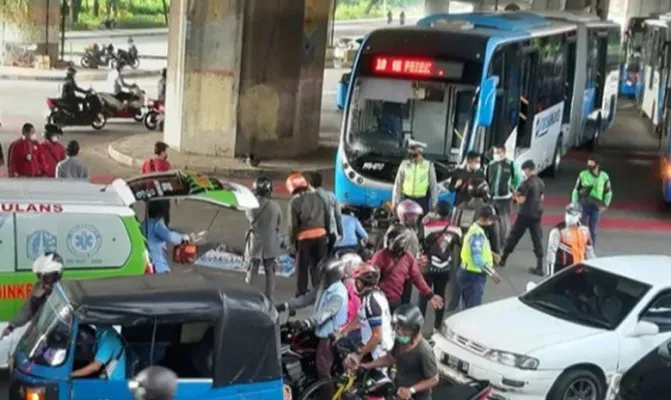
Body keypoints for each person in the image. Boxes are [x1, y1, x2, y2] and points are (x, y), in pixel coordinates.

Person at [276, 258, 349, 399]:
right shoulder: (324, 285)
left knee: (323, 370)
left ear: (333, 276)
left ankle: (327, 396)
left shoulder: (338, 294)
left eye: (325, 276)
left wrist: (307, 322)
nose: (322, 279)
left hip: (329, 337)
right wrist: (286, 305)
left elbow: (325, 314)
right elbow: (306, 299)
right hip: (318, 330)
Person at [356, 305, 440, 400]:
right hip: (399, 392)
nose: (400, 332)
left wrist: (411, 390)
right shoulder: (400, 340)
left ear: (414, 331)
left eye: (405, 329)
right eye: (398, 327)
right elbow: (391, 358)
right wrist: (367, 365)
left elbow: (434, 379)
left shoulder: (424, 350)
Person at [371, 224, 443, 313]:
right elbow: (371, 278)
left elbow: (417, 278)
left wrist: (430, 295)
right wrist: (430, 295)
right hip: (380, 300)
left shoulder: (406, 257)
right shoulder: (380, 256)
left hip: (392, 301)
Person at [418, 201, 461, 333]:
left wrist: (423, 222)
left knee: (423, 297)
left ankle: (418, 327)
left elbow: (419, 240)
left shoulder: (427, 228)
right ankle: (437, 327)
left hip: (428, 267)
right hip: (444, 268)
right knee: (440, 296)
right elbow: (458, 242)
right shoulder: (456, 229)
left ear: (435, 213)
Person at [339, 263, 394, 364]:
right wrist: (344, 332)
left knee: (351, 366)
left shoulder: (371, 302)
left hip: (378, 352)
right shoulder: (371, 295)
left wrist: (359, 354)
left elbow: (377, 336)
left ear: (361, 283)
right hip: (370, 345)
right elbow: (360, 317)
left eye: (357, 281)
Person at [1, 252, 65, 338]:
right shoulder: (38, 286)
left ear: (56, 275)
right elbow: (26, 310)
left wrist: (48, 294)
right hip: (37, 333)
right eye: (40, 276)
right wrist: (11, 326)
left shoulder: (62, 291)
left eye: (46, 276)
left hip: (54, 335)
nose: (42, 280)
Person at [287, 172, 330, 296]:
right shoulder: (318, 197)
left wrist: (291, 243)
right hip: (321, 236)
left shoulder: (294, 202)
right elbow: (326, 217)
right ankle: (319, 291)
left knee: (302, 269)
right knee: (318, 266)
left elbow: (292, 226)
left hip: (304, 239)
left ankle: (301, 293)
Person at [500, 160, 545, 275]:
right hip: (537, 214)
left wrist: (515, 195)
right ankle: (540, 266)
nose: (524, 173)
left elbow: (521, 200)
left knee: (514, 236)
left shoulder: (526, 183)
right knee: (537, 239)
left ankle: (503, 259)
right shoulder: (541, 182)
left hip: (525, 214)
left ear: (528, 170)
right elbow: (542, 198)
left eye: (524, 170)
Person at [244, 176, 283, 300]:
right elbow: (278, 222)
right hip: (270, 243)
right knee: (270, 273)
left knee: (252, 271)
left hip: (255, 242)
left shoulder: (251, 205)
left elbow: (249, 218)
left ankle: (244, 296)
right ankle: (269, 299)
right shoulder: (275, 205)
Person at [458, 206, 502, 309]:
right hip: (473, 275)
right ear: (483, 218)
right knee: (472, 309)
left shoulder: (474, 230)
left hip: (468, 272)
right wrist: (492, 273)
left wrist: (491, 254)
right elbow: (477, 258)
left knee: (467, 305)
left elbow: (476, 250)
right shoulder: (477, 234)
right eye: (491, 219)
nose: (492, 222)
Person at [545, 203, 595, 276]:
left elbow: (590, 252)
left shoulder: (585, 230)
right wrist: (550, 276)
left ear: (579, 215)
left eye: (573, 214)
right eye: (568, 213)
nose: (569, 217)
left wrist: (594, 270)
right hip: (563, 272)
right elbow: (551, 254)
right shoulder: (558, 231)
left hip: (581, 270)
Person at [486, 144, 522, 247]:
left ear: (503, 153)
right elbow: (487, 179)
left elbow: (517, 179)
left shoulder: (511, 165)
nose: (496, 154)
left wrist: (511, 188)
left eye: (498, 152)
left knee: (504, 222)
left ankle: (503, 242)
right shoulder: (491, 165)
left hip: (505, 199)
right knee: (491, 220)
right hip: (492, 198)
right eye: (495, 152)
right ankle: (493, 242)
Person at [571, 156, 612, 245]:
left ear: (597, 165)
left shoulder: (604, 177)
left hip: (596, 206)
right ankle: (581, 248)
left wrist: (606, 205)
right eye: (588, 164)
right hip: (584, 205)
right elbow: (576, 190)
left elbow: (608, 192)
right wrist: (574, 203)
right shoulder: (583, 175)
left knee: (593, 230)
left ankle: (591, 249)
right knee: (582, 228)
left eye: (591, 165)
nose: (589, 167)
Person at [142, 201, 189, 274]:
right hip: (159, 267)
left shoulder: (143, 224)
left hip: (147, 265)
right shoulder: (156, 224)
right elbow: (169, 236)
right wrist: (183, 237)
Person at [392, 140, 438, 214]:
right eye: (411, 155)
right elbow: (398, 184)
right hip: (406, 199)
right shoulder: (404, 164)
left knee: (420, 223)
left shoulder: (428, 165)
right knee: (405, 223)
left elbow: (433, 186)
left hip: (422, 200)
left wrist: (434, 204)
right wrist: (395, 201)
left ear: (420, 153)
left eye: (415, 155)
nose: (412, 158)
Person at [310, 172, 343, 255]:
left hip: (314, 236)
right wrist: (340, 232)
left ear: (309, 184)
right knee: (328, 259)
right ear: (322, 183)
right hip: (331, 234)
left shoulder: (308, 198)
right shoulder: (332, 195)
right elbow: (338, 216)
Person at [340, 253, 364, 343]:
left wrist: (344, 331)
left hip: (351, 328)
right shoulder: (350, 283)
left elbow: (358, 313)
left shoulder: (352, 285)